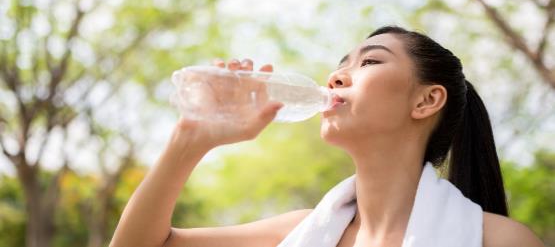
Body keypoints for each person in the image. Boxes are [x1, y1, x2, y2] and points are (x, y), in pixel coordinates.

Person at [109, 26, 545, 247]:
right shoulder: (303, 231)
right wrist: (190, 140)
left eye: (370, 62)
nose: (337, 75)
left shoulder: (499, 240)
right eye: (342, 63)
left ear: (426, 100)